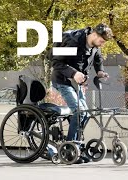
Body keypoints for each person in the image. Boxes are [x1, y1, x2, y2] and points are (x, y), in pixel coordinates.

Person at [50, 23, 113, 163]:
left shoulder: (94, 46)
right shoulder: (73, 42)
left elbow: (98, 59)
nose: (101, 45)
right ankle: (68, 151)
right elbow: (56, 62)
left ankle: (76, 148)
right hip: (63, 80)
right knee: (80, 112)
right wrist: (74, 73)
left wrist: (100, 71)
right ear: (94, 35)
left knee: (85, 113)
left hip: (77, 83)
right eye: (101, 41)